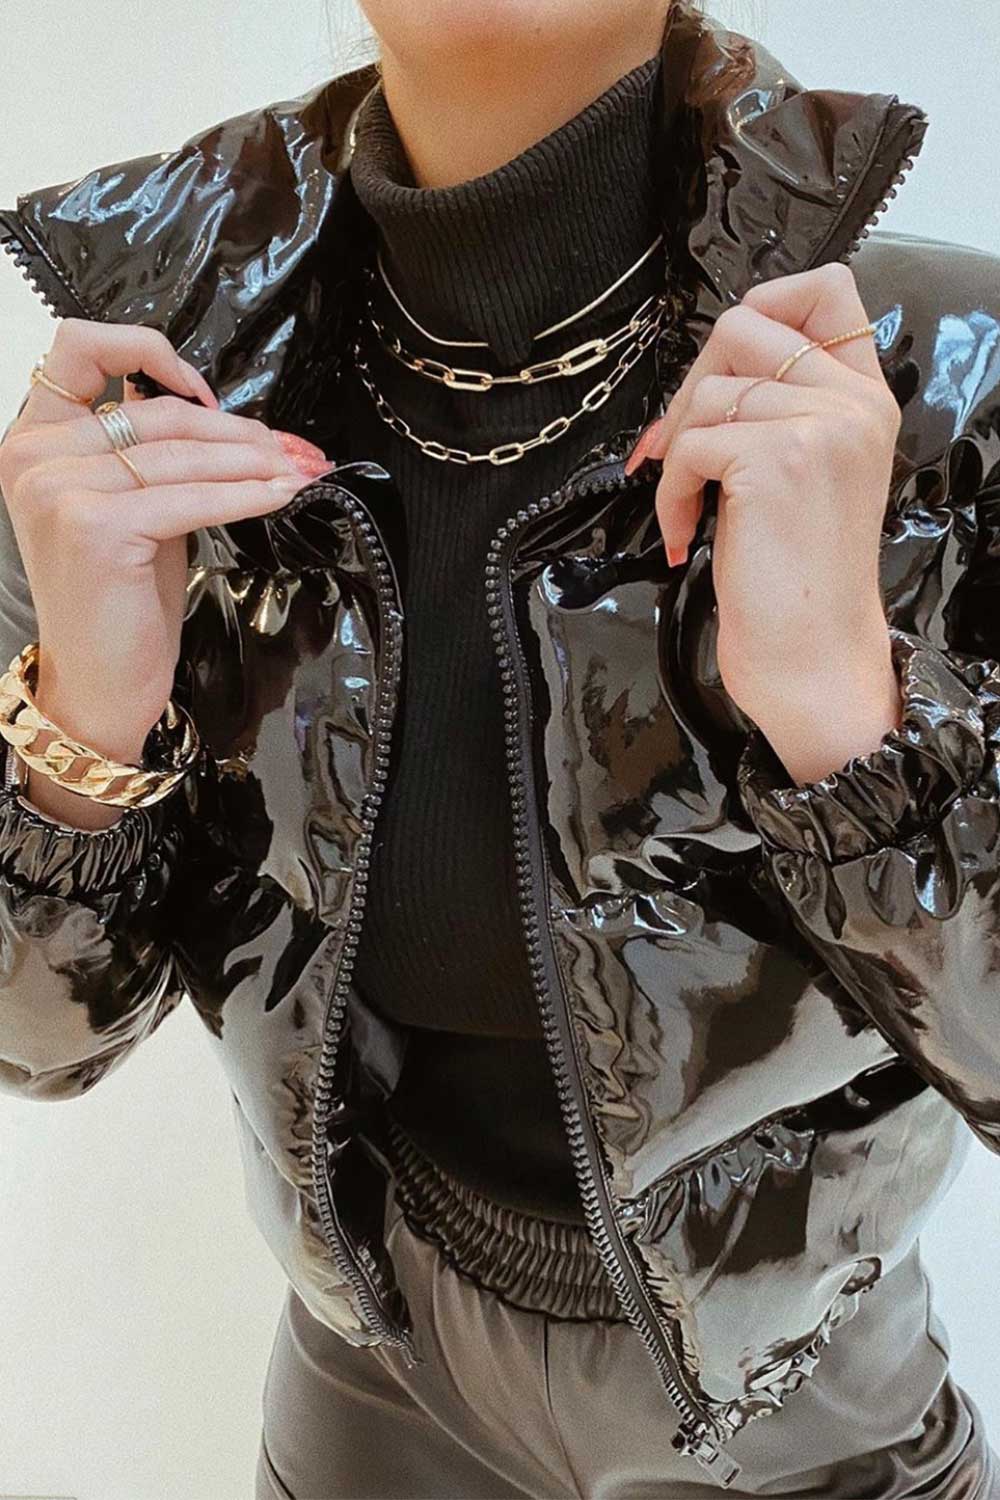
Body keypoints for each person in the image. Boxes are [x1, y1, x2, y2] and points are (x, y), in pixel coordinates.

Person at [0, 1, 998, 1495]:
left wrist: (845, 708)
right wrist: (85, 715)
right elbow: (36, 1042)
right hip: (368, 1395)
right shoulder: (163, 397)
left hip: (806, 1426)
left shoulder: (943, 384)